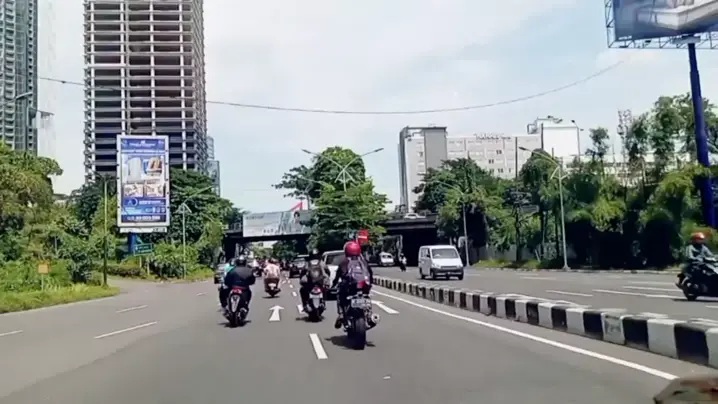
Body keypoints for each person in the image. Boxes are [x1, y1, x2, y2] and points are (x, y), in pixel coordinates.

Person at [331, 241, 374, 329]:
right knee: (366, 296)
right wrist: (370, 283)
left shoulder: (344, 262)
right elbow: (370, 273)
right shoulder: (363, 261)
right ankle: (369, 314)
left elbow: (338, 276)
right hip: (364, 286)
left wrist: (333, 285)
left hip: (349, 287)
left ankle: (341, 314)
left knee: (340, 295)